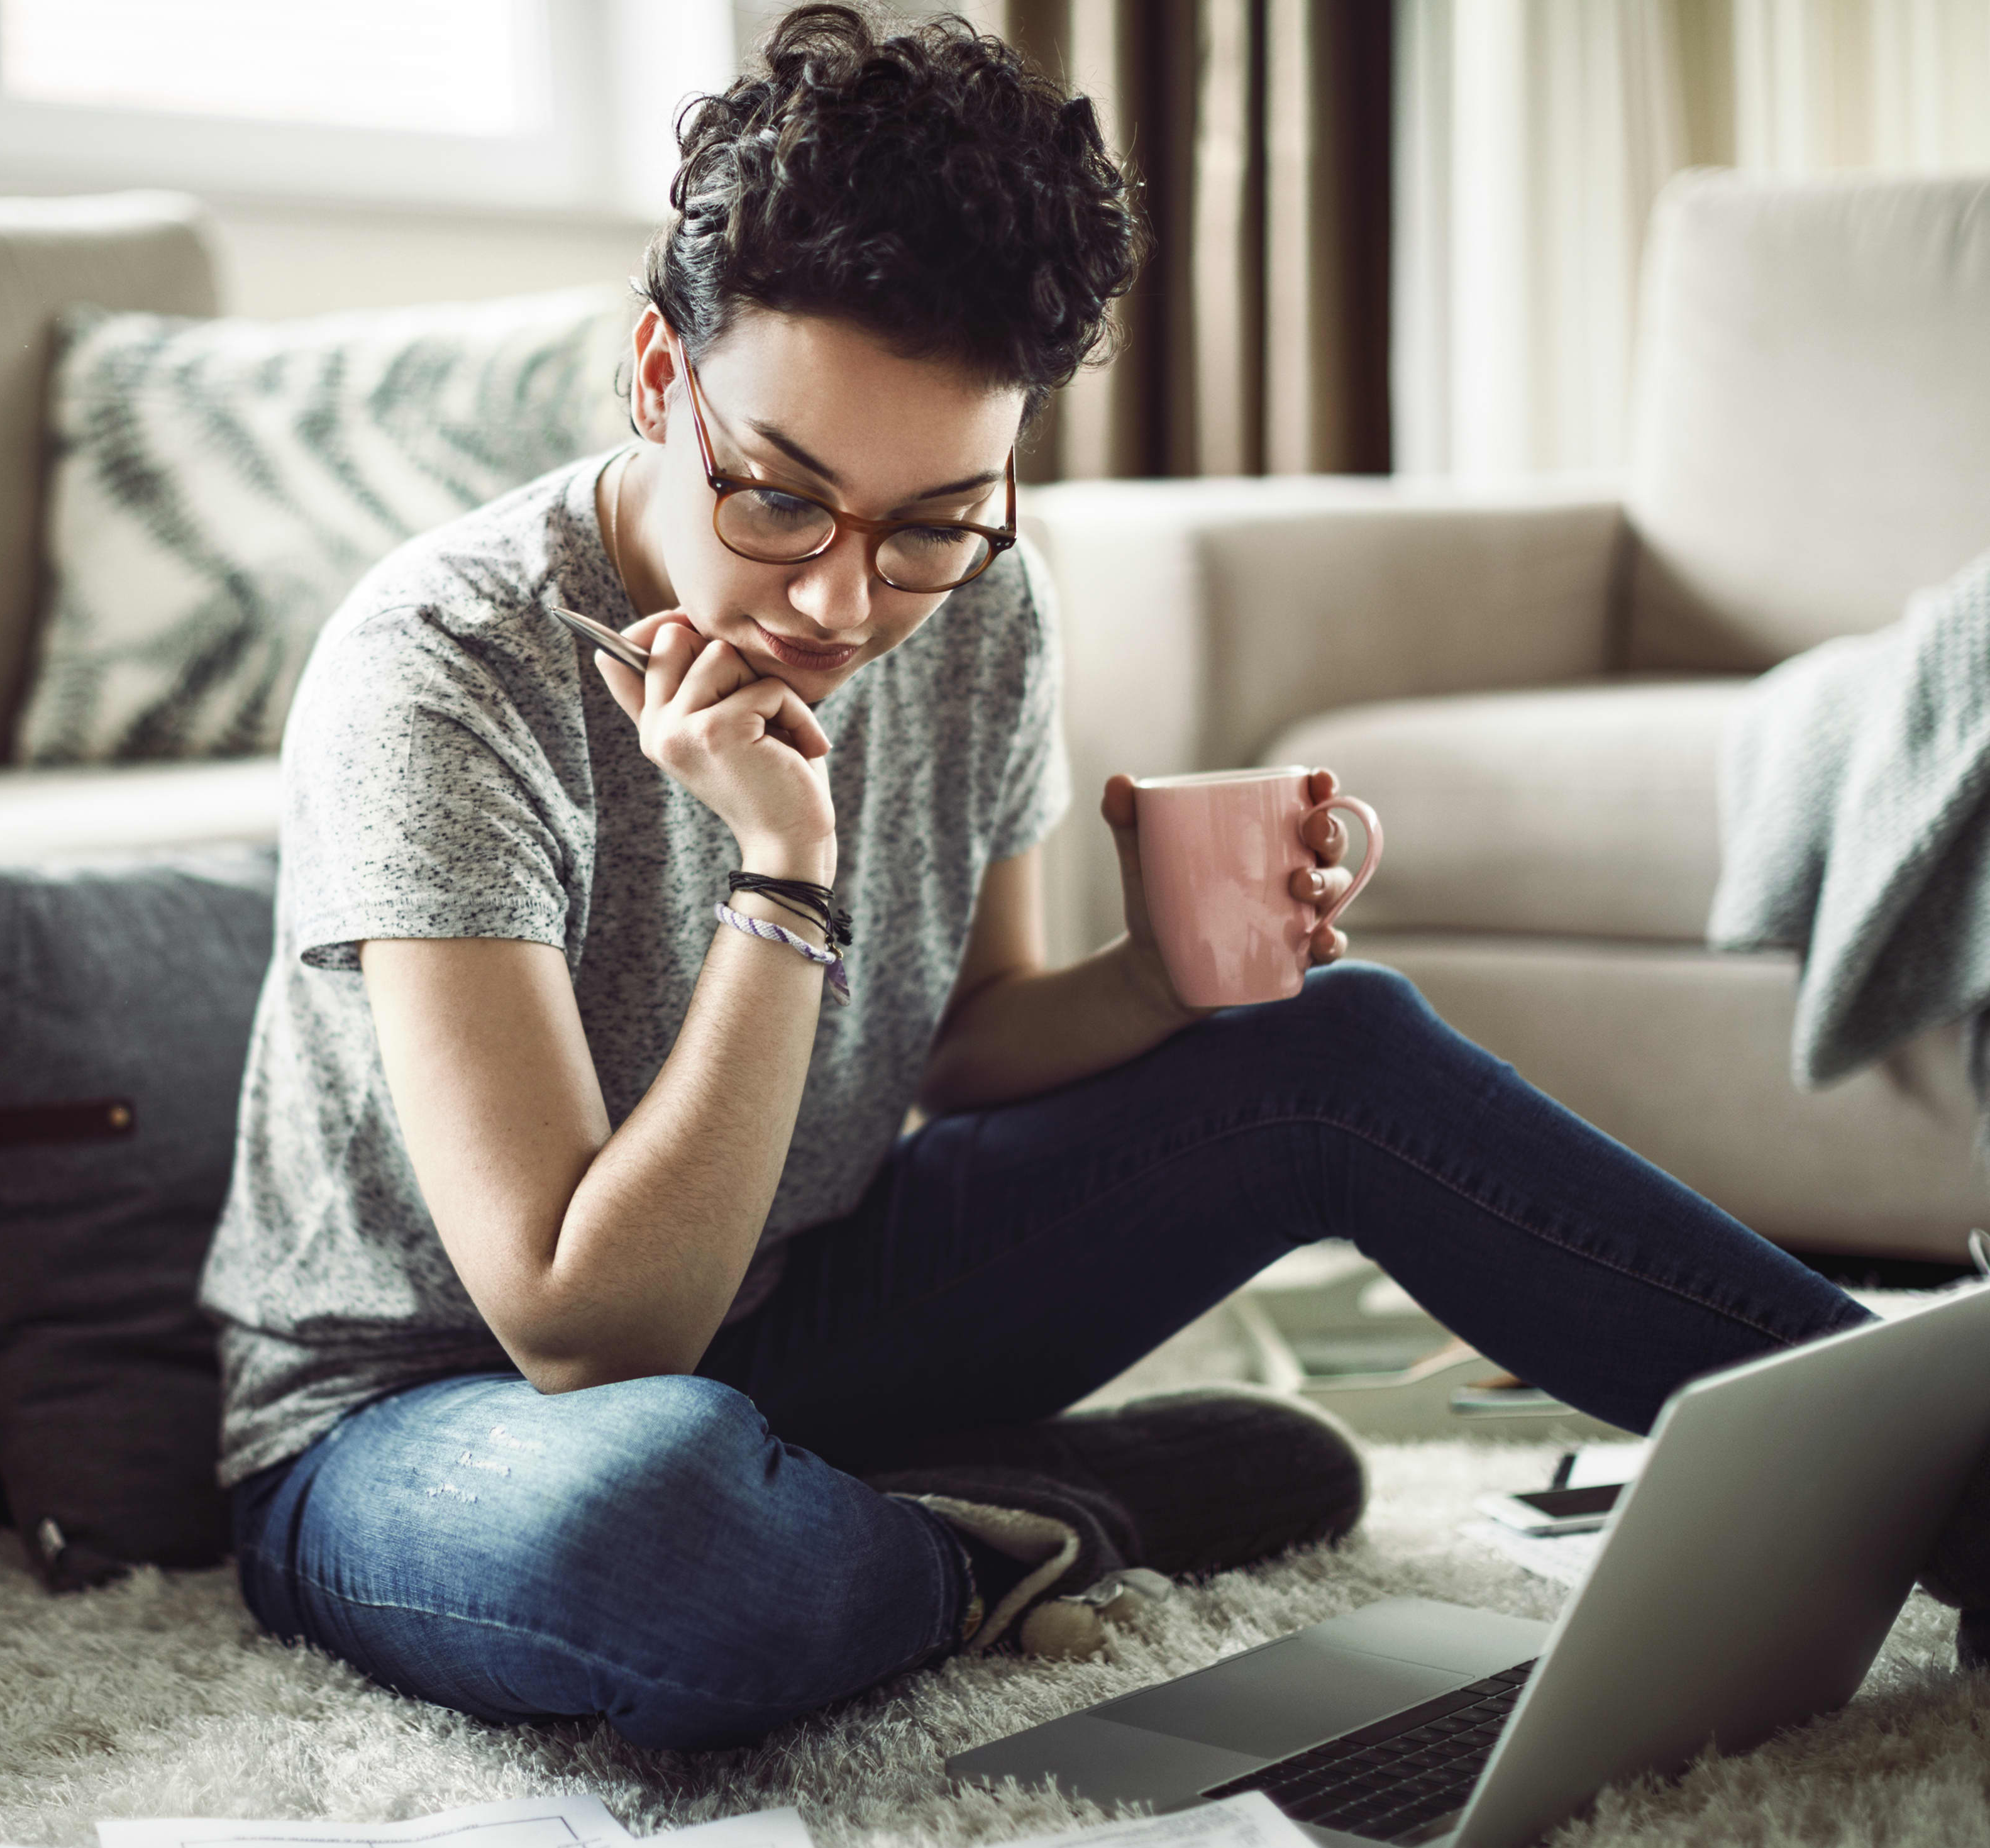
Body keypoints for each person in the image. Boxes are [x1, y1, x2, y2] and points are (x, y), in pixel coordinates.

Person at [204, 4, 1979, 1751]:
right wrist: (786, 873)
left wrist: (1160, 984)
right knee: (660, 1544)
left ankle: (1966, 1489)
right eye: (781, 499)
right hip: (433, 1414)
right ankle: (1024, 1515)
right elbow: (589, 1328)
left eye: (933, 520)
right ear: (663, 377)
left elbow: (964, 1041)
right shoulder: (445, 667)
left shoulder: (984, 607)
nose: (844, 601)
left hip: (802, 1309)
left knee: (1336, 1045)